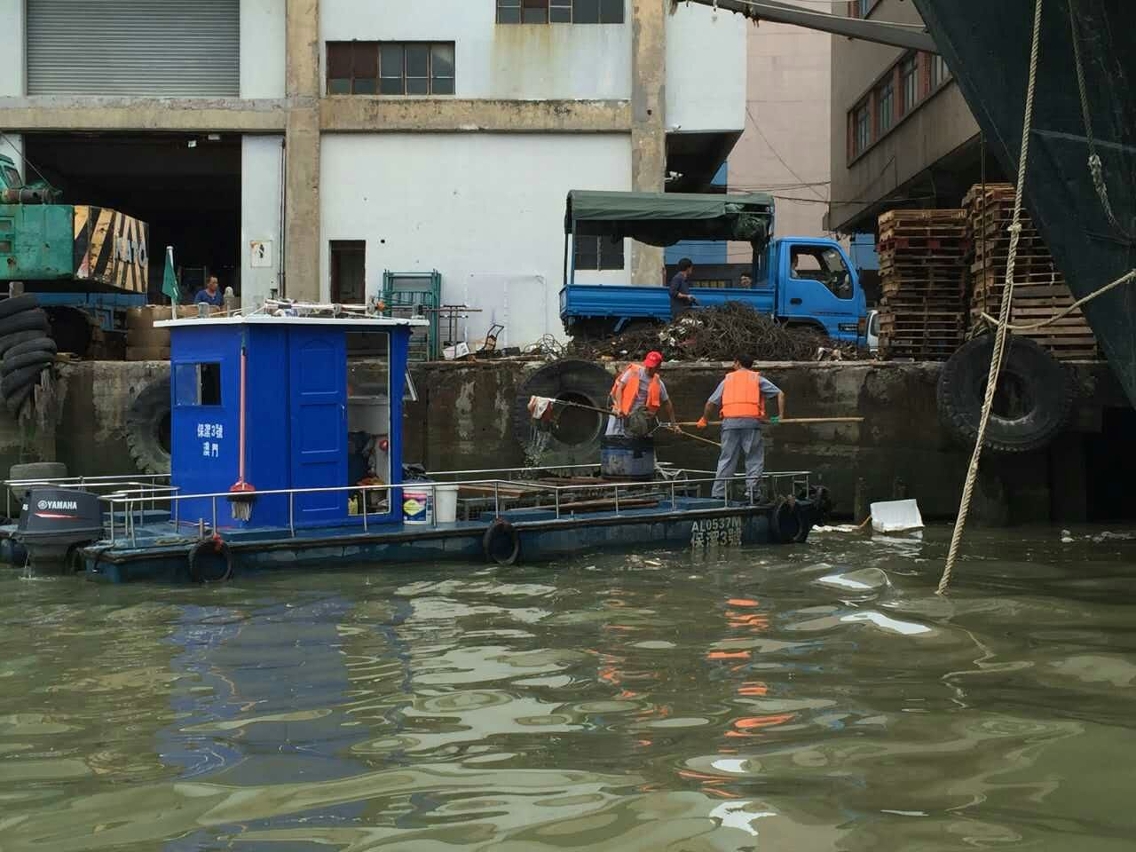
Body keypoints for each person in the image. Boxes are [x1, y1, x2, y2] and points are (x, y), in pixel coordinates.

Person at [697, 355, 785, 500]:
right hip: (751, 423)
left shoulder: (728, 380)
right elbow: (780, 394)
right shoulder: (756, 379)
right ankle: (752, 493)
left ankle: (719, 494)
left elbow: (710, 403)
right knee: (754, 458)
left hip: (730, 423)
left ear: (737, 363)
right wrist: (780, 416)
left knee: (727, 459)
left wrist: (704, 419)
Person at [607, 350, 679, 437]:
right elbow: (619, 389)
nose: (649, 369)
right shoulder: (633, 372)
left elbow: (667, 403)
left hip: (636, 419)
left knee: (634, 440)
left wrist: (674, 424)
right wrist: (619, 407)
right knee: (612, 439)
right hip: (620, 412)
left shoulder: (658, 384)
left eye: (652, 367)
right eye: (648, 365)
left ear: (658, 367)